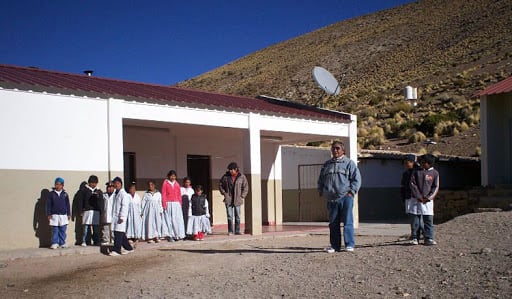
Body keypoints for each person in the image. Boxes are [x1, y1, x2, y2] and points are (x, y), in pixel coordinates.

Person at [317, 141, 361, 253]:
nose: (335, 150)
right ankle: (335, 246)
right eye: (333, 148)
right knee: (333, 223)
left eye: (337, 148)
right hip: (331, 199)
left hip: (345, 197)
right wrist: (321, 190)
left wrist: (351, 192)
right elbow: (321, 179)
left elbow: (357, 179)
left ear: (343, 150)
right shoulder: (327, 165)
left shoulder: (349, 164)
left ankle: (349, 244)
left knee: (348, 221)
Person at [410, 154, 440, 246]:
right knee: (415, 219)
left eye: (423, 162)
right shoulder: (416, 172)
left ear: (429, 163)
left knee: (428, 220)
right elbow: (412, 184)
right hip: (416, 200)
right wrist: (418, 196)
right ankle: (415, 237)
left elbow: (435, 187)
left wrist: (428, 198)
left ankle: (429, 238)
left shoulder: (435, 173)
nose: (421, 164)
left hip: (428, 201)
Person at [219, 162, 249, 235]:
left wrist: (242, 196)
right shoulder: (225, 176)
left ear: (236, 169)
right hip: (228, 199)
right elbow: (220, 185)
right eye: (229, 170)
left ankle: (237, 231)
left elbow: (245, 187)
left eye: (231, 169)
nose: (230, 171)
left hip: (237, 199)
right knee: (229, 216)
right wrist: (224, 193)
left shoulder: (242, 177)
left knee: (238, 216)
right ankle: (230, 231)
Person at [401, 154, 423, 244]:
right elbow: (403, 186)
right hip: (409, 197)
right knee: (413, 217)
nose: (406, 164)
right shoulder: (406, 173)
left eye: (407, 162)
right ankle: (415, 235)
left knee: (419, 217)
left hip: (418, 198)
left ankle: (417, 235)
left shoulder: (419, 172)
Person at [110, 177, 134, 256]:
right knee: (121, 233)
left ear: (121, 184)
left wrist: (122, 217)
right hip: (116, 216)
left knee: (118, 233)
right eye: (115, 184)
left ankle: (116, 250)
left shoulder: (124, 194)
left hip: (120, 217)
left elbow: (124, 206)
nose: (116, 185)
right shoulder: (116, 193)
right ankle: (128, 248)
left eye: (118, 183)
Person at [77, 175, 104, 246]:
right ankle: (84, 241)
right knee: (85, 228)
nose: (93, 184)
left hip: (96, 211)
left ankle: (96, 241)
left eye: (95, 183)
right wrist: (80, 211)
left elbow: (101, 202)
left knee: (96, 228)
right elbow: (80, 201)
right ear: (89, 183)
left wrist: (101, 212)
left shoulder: (99, 191)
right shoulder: (83, 190)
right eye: (92, 182)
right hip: (87, 211)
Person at [46, 177, 71, 249]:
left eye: (60, 185)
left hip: (63, 215)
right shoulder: (51, 194)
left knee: (63, 229)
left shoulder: (65, 194)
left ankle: (62, 242)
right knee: (55, 229)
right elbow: (48, 205)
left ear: (62, 186)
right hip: (54, 215)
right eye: (57, 184)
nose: (58, 186)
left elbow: (67, 204)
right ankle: (54, 243)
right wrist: (48, 214)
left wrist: (68, 214)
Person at [161, 170, 185, 241]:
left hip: (176, 204)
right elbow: (164, 194)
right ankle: (170, 235)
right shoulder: (165, 183)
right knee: (170, 220)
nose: (173, 177)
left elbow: (179, 194)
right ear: (169, 176)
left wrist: (180, 203)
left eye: (174, 176)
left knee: (177, 220)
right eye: (171, 176)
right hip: (169, 203)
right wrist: (164, 204)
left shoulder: (177, 184)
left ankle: (177, 235)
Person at [100, 181, 115, 245]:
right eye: (108, 187)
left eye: (111, 187)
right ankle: (106, 240)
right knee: (105, 228)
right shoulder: (104, 195)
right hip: (106, 213)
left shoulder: (115, 195)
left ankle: (114, 239)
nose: (110, 188)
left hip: (113, 213)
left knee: (113, 229)